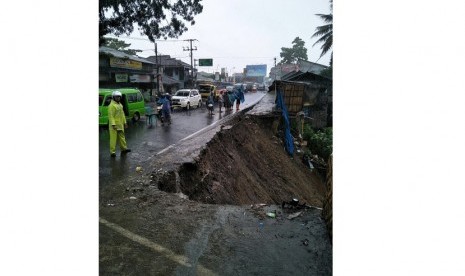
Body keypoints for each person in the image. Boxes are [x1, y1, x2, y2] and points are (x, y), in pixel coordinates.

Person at [108, 91, 131, 157]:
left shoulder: (120, 105)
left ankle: (124, 148)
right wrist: (113, 124)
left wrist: (125, 122)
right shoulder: (111, 106)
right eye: (116, 97)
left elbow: (122, 115)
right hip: (114, 126)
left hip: (120, 124)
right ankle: (112, 152)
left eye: (119, 97)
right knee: (113, 139)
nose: (118, 98)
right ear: (113, 97)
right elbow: (111, 116)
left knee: (122, 137)